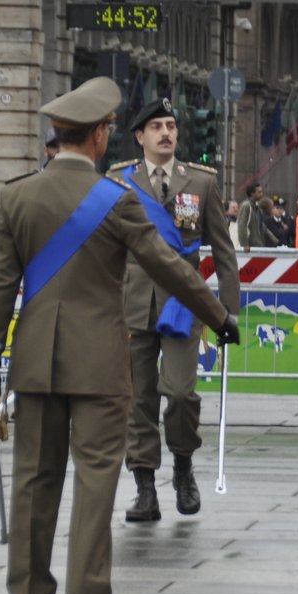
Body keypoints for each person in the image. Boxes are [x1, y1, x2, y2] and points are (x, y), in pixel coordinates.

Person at [0, 78, 239, 594]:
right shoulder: (116, 199)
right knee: (96, 474)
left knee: (33, 477)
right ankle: (87, 592)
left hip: (33, 358)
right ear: (100, 136)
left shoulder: (15, 195)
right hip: (99, 355)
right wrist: (218, 316)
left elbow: (2, 289)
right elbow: (167, 266)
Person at [111, 98, 240, 522]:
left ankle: (183, 466)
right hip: (132, 301)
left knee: (181, 394)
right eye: (157, 127)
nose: (166, 133)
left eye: (171, 125)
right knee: (137, 399)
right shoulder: (119, 182)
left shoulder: (201, 183)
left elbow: (223, 251)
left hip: (184, 302)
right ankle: (145, 487)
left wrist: (228, 311)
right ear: (140, 136)